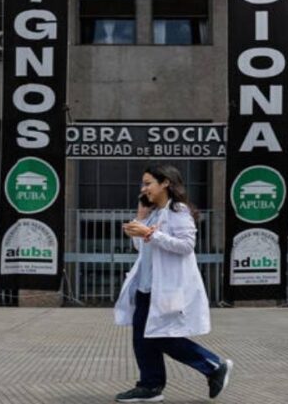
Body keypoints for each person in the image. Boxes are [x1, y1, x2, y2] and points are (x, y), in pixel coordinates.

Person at [113, 164, 233, 402]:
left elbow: (187, 245)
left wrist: (149, 233)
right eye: (143, 184)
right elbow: (142, 248)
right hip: (146, 287)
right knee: (142, 338)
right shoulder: (155, 213)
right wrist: (140, 221)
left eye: (148, 183)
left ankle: (214, 365)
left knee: (162, 336)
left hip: (166, 288)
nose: (143, 188)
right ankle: (150, 386)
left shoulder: (178, 211)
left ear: (165, 183)